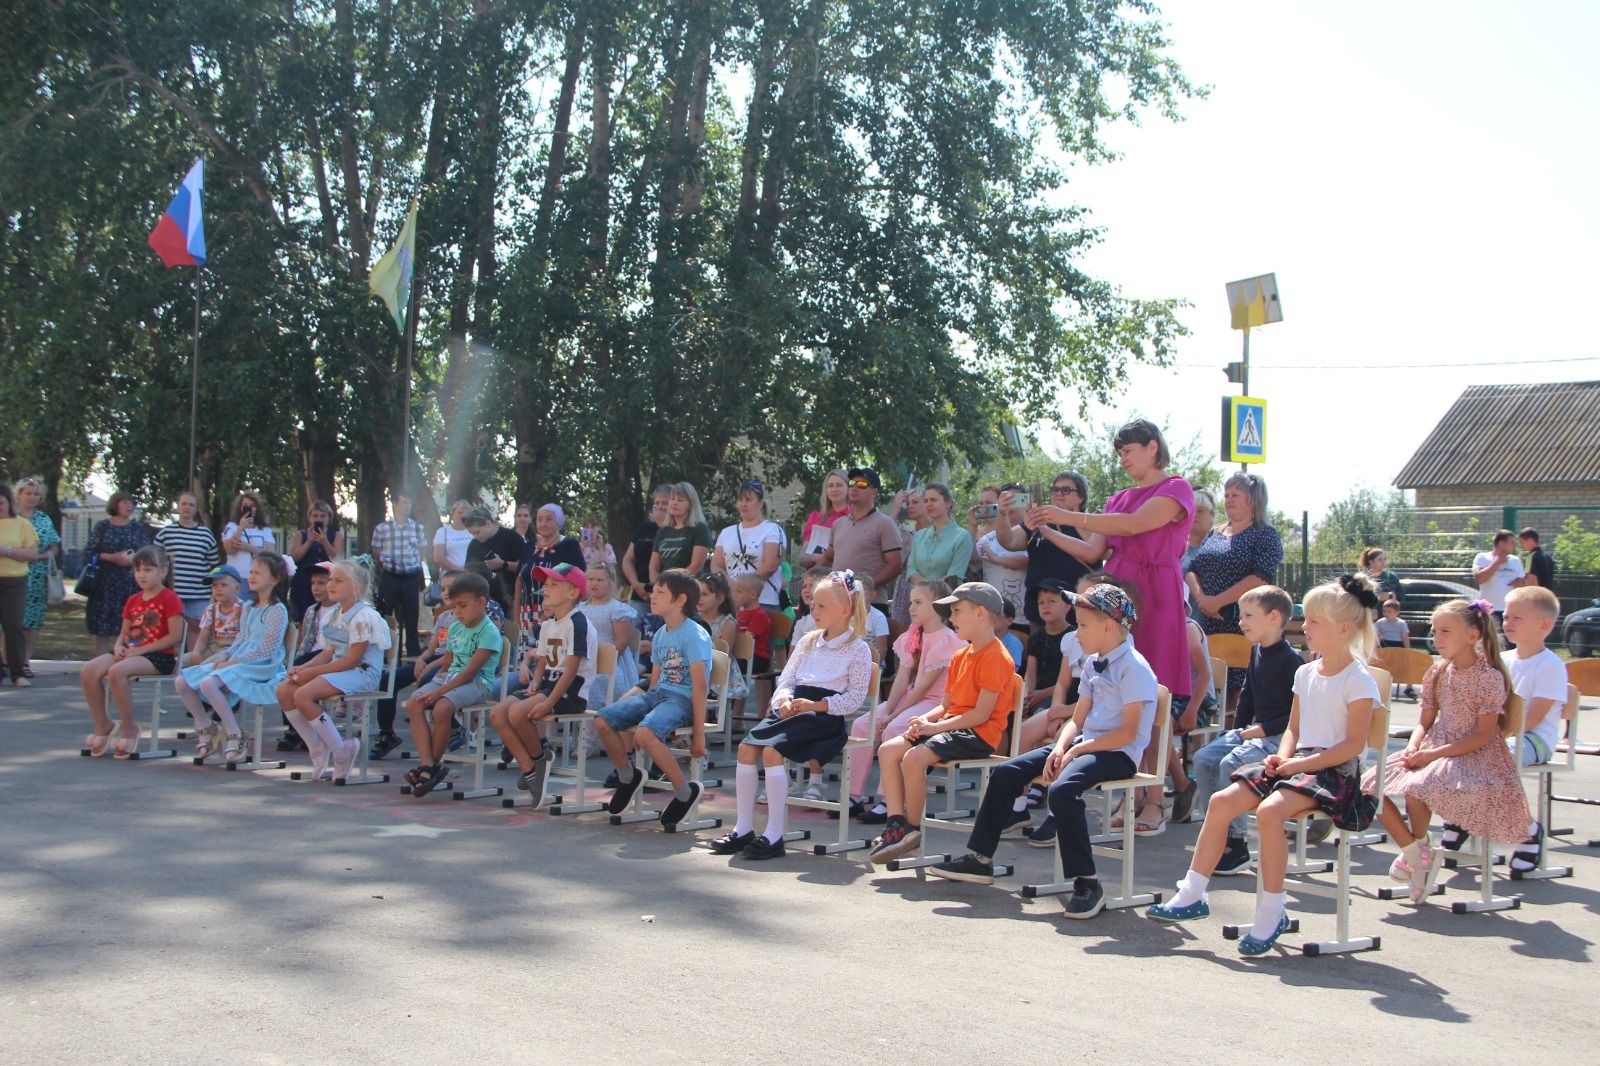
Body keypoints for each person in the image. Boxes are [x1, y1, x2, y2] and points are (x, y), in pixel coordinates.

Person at [1147, 575, 1380, 953]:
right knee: (1223, 802)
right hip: (1299, 764)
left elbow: (1353, 746)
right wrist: (1283, 757)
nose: (1304, 627)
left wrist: (1296, 765)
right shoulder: (1306, 672)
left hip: (1334, 772)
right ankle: (1191, 894)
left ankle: (1272, 912)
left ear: (1343, 629)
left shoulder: (1358, 678)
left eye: (1314, 622)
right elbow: (1293, 728)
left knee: (1271, 812)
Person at [928, 583, 1155, 921]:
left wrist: (1076, 752)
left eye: (1082, 625)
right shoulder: (1094, 663)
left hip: (1117, 753)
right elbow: (1078, 719)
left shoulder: (1134, 667)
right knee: (1006, 772)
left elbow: (1129, 732)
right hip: (1084, 746)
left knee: (1063, 791)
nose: (1076, 633)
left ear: (1108, 627)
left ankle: (1088, 883)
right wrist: (1061, 747)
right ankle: (980, 858)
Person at [1025, 421, 1194, 833]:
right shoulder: (1118, 497)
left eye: (1129, 450)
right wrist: (1047, 528)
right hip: (1118, 593)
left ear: (1154, 447)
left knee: (1152, 695)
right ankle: (1132, 794)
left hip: (1155, 595)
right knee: (1120, 694)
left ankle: (1155, 799)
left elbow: (1135, 525)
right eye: (1120, 452)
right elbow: (1093, 550)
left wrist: (1066, 512)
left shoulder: (1177, 488)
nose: (1123, 459)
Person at [1365, 597, 1530, 904]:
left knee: (1417, 787)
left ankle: (1417, 858)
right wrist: (1414, 746)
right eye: (1434, 630)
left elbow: (1483, 735)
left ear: (1472, 636)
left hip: (1474, 754)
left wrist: (1431, 755)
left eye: (1445, 631)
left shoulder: (1489, 677)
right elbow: (1424, 721)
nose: (1436, 638)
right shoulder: (1437, 672)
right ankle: (1417, 851)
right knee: (1370, 788)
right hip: (1435, 746)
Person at [709, 571, 875, 859]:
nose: (815, 610)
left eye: (822, 606)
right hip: (794, 708)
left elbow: (854, 699)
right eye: (813, 605)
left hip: (822, 717)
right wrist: (782, 699)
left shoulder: (857, 649)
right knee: (747, 748)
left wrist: (817, 705)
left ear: (845, 609)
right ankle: (743, 828)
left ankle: (774, 835)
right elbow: (786, 679)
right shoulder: (809, 641)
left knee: (772, 751)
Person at [869, 582, 1020, 864]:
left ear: (981, 613)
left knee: (913, 758)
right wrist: (924, 719)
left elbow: (980, 715)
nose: (951, 619)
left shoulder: (997, 657)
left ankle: (911, 831)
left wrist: (935, 727)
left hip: (978, 734)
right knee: (888, 750)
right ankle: (895, 824)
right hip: (952, 728)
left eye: (957, 611)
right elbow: (945, 705)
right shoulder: (960, 655)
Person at [1184, 585, 1303, 875]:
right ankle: (1218, 832)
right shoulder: (1256, 651)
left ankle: (1237, 844)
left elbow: (1297, 716)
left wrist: (1261, 731)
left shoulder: (1293, 662)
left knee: (1231, 764)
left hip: (1277, 738)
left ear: (1274, 617)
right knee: (1204, 758)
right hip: (1253, 733)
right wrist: (1236, 732)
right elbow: (1248, 696)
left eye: (1249, 615)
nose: (1241, 622)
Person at [593, 569, 713, 829]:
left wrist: (699, 735)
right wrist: (643, 707)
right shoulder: (660, 634)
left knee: (646, 733)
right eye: (654, 591)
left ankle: (684, 792)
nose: (653, 596)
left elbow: (701, 687)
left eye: (660, 592)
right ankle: (628, 777)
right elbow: (656, 681)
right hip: (659, 696)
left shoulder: (694, 634)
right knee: (602, 720)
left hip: (682, 700)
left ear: (680, 600)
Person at [848, 577, 959, 819]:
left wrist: (894, 715)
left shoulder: (947, 640)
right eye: (911, 602)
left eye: (918, 602)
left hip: (934, 703)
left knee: (894, 729)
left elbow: (923, 688)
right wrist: (888, 708)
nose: (911, 608)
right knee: (862, 724)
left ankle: (889, 800)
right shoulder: (913, 635)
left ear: (938, 605)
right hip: (912, 700)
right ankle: (853, 794)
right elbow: (902, 679)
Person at [274, 559, 391, 783]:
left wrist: (314, 674)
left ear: (355, 587)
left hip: (361, 672)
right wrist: (305, 667)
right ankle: (316, 747)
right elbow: (328, 652)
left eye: (338, 580)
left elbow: (353, 660)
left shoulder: (363, 617)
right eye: (331, 580)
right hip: (341, 668)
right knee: (285, 691)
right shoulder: (335, 614)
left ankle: (340, 752)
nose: (330, 584)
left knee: (303, 695)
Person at [492, 563, 595, 802]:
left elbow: (570, 672)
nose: (545, 588)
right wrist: (535, 683)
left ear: (572, 593)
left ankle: (537, 763)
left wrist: (549, 701)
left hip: (570, 692)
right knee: (498, 713)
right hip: (548, 686)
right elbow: (542, 662)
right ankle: (532, 767)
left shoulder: (577, 623)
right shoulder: (548, 625)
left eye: (553, 584)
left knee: (517, 713)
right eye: (546, 584)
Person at [175, 554, 291, 764]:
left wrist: (232, 663)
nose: (252, 576)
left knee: (209, 683)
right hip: (241, 658)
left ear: (274, 579)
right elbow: (240, 640)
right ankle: (206, 726)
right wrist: (223, 655)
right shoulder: (248, 607)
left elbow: (267, 650)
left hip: (262, 666)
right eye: (251, 572)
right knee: (182, 681)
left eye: (258, 573)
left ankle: (234, 733)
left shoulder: (277, 610)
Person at [1185, 473, 1283, 702]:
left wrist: (1218, 601)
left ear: (1253, 500)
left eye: (1235, 495)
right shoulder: (1215, 533)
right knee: (1204, 692)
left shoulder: (1265, 535)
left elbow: (1261, 577)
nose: (1228, 499)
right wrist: (1203, 601)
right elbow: (1192, 569)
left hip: (1243, 624)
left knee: (1237, 696)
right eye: (1226, 494)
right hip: (1208, 623)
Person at [79, 545, 185, 758]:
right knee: (89, 670)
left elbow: (175, 636)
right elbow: (124, 633)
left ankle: (129, 727)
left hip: (158, 656)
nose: (141, 575)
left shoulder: (169, 598)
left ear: (163, 571)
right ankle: (103, 724)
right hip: (130, 652)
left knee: (118, 672)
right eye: (138, 570)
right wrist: (119, 645)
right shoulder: (133, 600)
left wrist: (141, 651)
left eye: (148, 570)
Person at [404, 572, 504, 797]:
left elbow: (470, 673)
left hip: (477, 683)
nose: (456, 612)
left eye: (462, 606)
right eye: (454, 605)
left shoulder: (489, 632)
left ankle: (431, 768)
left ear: (481, 603)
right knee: (414, 703)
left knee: (442, 707)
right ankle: (427, 763)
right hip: (449, 679)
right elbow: (448, 662)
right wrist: (433, 681)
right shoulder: (457, 626)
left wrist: (439, 692)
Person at [1499, 586, 1568, 872]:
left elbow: (1534, 718)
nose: (1507, 623)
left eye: (1517, 618)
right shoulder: (1503, 660)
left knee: (1495, 759)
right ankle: (1462, 819)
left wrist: (1491, 736)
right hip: (1503, 735)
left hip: (1534, 740)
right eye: (1506, 616)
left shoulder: (1551, 665)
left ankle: (1527, 830)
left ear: (1544, 625)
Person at [371, 569, 460, 760]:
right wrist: (421, 659)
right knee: (389, 680)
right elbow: (432, 648)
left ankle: (454, 727)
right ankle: (386, 734)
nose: (445, 592)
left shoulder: (464, 619)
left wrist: (429, 666)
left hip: (450, 662)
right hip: (434, 659)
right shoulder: (444, 617)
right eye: (442, 588)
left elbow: (452, 655)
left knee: (427, 680)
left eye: (450, 588)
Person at [992, 472, 1091, 629]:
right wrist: (1002, 513)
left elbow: (1094, 553)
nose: (1058, 494)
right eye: (1055, 489)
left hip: (1081, 613)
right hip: (1041, 614)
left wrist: (1067, 517)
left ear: (1081, 496)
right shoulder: (1038, 521)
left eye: (1065, 490)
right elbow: (1008, 541)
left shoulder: (1091, 523)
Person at [819, 468, 903, 616]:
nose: (855, 488)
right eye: (851, 483)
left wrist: (865, 586)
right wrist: (813, 578)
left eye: (862, 485)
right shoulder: (838, 524)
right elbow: (827, 558)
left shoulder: (885, 524)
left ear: (874, 492)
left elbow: (895, 565)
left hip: (871, 603)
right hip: (839, 602)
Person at [83, 492, 153, 656]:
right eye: (124, 502)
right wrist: (111, 557)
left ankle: (127, 660)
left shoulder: (137, 528)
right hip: (104, 583)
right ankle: (100, 662)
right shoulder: (102, 526)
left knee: (133, 624)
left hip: (130, 583)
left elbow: (148, 553)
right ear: (115, 504)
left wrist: (133, 559)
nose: (128, 506)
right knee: (102, 625)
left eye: (131, 503)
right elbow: (89, 553)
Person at [512, 503, 585, 645]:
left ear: (558, 522)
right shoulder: (528, 546)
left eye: (549, 519)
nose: (543, 523)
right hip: (527, 614)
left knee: (551, 659)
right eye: (539, 519)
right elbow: (519, 582)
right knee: (526, 660)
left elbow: (579, 581)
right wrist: (516, 618)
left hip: (557, 614)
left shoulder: (569, 545)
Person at [12, 479, 62, 678]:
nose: (32, 497)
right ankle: (7, 661)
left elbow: (54, 546)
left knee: (31, 622)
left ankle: (25, 662)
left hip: (37, 574)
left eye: (36, 494)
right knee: (9, 620)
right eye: (28, 493)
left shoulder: (43, 519)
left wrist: (40, 556)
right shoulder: (9, 517)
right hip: (12, 572)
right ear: (18, 494)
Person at [712, 481, 786, 609]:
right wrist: (731, 587)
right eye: (740, 500)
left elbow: (770, 565)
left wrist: (742, 589)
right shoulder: (726, 532)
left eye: (748, 500)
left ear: (760, 503)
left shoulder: (772, 529)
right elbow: (716, 565)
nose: (743, 504)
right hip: (732, 601)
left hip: (762, 601)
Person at [154, 489, 220, 632]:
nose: (187, 507)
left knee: (196, 630)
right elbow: (154, 560)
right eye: (184, 504)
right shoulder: (166, 533)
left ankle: (193, 655)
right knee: (172, 630)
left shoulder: (206, 534)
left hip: (199, 593)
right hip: (173, 592)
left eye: (191, 505)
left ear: (196, 509)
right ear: (178, 506)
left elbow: (214, 565)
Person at [371, 491, 427, 657]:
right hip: (390, 575)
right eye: (404, 502)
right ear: (394, 504)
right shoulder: (382, 528)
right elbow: (376, 552)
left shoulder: (418, 528)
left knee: (411, 614)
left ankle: (412, 652)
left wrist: (414, 565)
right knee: (385, 613)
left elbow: (422, 551)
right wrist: (387, 566)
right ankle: (383, 651)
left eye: (409, 503)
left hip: (410, 576)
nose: (407, 506)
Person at [0, 483, 45, 686]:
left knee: (13, 625)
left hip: (15, 581)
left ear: (9, 502)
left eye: (1, 503)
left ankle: (17, 673)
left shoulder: (22, 524)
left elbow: (32, 554)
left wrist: (7, 551)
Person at [579, 562, 639, 705]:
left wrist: (597, 659)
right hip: (583, 659)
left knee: (597, 680)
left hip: (611, 662)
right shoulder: (580, 609)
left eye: (600, 580)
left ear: (611, 583)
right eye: (591, 579)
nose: (594, 583)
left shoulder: (617, 610)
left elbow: (621, 642)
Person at [969, 485, 1028, 609]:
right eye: (1006, 500)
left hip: (1023, 612)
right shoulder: (989, 537)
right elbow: (973, 559)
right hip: (993, 610)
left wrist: (997, 559)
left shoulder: (1033, 534)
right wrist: (973, 526)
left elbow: (1027, 561)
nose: (1010, 505)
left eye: (1015, 500)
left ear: (1026, 502)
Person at [904, 484, 973, 588]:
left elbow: (954, 576)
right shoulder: (919, 536)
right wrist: (926, 588)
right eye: (926, 501)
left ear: (947, 503)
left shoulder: (962, 536)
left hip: (946, 599)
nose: (929, 504)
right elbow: (911, 569)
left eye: (933, 500)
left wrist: (930, 589)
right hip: (919, 599)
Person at [287, 499, 345, 622]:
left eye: (322, 516)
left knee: (326, 616)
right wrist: (308, 541)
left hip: (326, 582)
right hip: (303, 581)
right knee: (303, 618)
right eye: (315, 515)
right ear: (310, 518)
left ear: (329, 518)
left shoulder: (336, 536)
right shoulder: (301, 535)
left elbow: (337, 558)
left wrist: (324, 541)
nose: (319, 519)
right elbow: (295, 557)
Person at [464, 506, 525, 614]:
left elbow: (526, 566)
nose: (475, 536)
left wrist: (504, 564)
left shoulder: (511, 537)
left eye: (477, 532)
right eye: (472, 533)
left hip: (510, 598)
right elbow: (467, 571)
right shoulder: (474, 545)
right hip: (482, 600)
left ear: (488, 524)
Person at [1021, 579, 1071, 713]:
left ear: (1067, 606)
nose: (1045, 606)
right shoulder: (1035, 637)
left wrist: (1042, 694)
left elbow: (1072, 681)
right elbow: (1030, 674)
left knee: (1041, 713)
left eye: (1051, 601)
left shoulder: (1075, 637)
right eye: (1041, 602)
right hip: (1036, 696)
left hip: (1062, 697)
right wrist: (1027, 697)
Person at [650, 482, 714, 580]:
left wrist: (672, 584)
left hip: (688, 585)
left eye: (680, 500)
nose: (675, 503)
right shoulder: (663, 531)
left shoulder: (700, 529)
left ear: (691, 505)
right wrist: (657, 585)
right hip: (662, 587)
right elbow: (653, 567)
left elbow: (696, 566)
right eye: (672, 499)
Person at [187, 565, 245, 671]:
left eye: (224, 585)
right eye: (214, 585)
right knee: (180, 662)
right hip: (213, 647)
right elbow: (202, 638)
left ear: (237, 588)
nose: (219, 589)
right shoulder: (211, 609)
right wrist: (197, 652)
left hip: (232, 650)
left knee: (203, 667)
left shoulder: (244, 609)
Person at [622, 487, 671, 605]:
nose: (660, 506)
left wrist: (662, 525)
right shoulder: (645, 528)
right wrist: (636, 584)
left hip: (668, 595)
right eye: (657, 503)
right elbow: (628, 559)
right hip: (640, 594)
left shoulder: (678, 531)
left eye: (664, 503)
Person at [799, 470, 850, 570]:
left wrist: (816, 557)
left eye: (839, 485)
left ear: (849, 488)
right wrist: (824, 558)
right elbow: (802, 559)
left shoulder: (855, 517)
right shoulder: (816, 518)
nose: (834, 489)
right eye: (830, 486)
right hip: (817, 580)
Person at [1473, 529, 1526, 625]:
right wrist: (1497, 562)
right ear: (1501, 543)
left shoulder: (1516, 560)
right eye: (1511, 542)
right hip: (1488, 611)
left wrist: (1519, 584)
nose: (1515, 545)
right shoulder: (1482, 557)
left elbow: (1523, 584)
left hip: (1510, 611)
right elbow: (1479, 579)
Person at [221, 493, 275, 577]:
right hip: (236, 576)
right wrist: (241, 527)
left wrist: (250, 548)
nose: (249, 508)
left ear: (257, 508)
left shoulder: (265, 530)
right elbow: (229, 550)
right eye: (245, 505)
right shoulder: (231, 527)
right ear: (240, 508)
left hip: (258, 577)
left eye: (252, 506)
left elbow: (271, 555)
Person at [1375, 598, 1414, 699]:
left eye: (1389, 611)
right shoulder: (1380, 622)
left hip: (1398, 645)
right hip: (1385, 644)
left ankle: (1409, 688)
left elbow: (1405, 637)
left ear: (1397, 613)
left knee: (1408, 665)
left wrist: (1408, 650)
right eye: (1384, 611)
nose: (1386, 613)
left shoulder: (1401, 623)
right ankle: (1378, 686)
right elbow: (1377, 637)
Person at [431, 500, 474, 581]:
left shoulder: (473, 531)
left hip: (472, 577)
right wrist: (460, 571)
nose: (462, 516)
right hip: (450, 577)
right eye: (459, 513)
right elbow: (438, 558)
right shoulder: (443, 532)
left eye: (466, 513)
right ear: (453, 513)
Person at [1180, 489, 1216, 577]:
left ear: (1212, 515)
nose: (1194, 514)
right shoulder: (1173, 546)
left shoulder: (1218, 550)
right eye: (1191, 510)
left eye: (1200, 510)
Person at [1518, 528, 1556, 592]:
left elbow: (1531, 582)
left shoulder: (1530, 557)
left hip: (1537, 597)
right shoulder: (1548, 558)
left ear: (1530, 540)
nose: (1521, 545)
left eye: (1522, 542)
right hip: (1549, 596)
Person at [995, 598, 1025, 671]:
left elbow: (1012, 671)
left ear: (1009, 621)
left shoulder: (1014, 643)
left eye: (997, 614)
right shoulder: (981, 639)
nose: (991, 617)